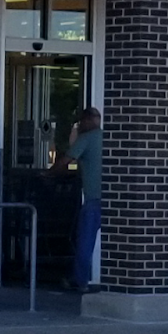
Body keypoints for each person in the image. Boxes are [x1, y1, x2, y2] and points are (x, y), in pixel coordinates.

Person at [65, 108, 103, 292]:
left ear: (87, 120)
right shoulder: (107, 138)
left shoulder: (86, 139)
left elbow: (67, 159)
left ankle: (80, 281)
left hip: (93, 199)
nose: (81, 125)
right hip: (113, 200)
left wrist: (48, 174)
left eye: (81, 122)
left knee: (85, 242)